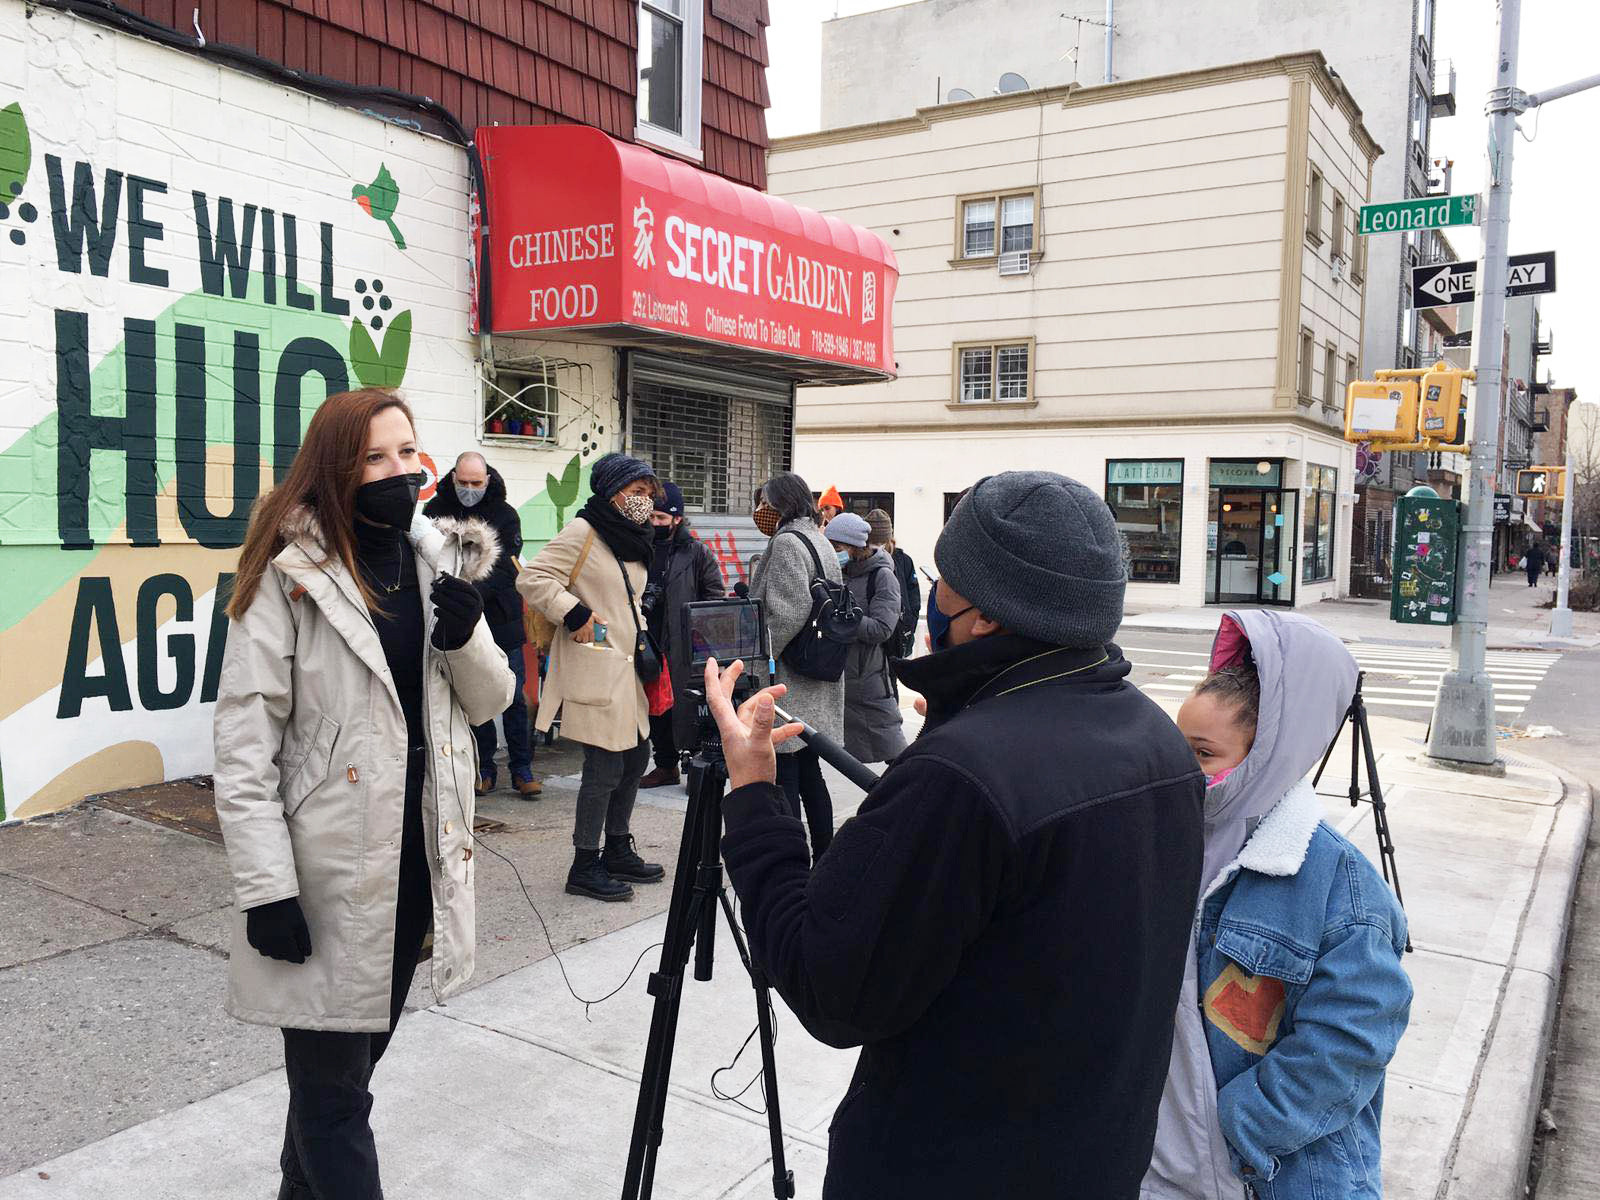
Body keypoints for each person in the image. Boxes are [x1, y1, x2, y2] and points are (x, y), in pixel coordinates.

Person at [708, 470, 1205, 1198]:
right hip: (1094, 1156)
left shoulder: (964, 773)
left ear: (987, 617)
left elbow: (830, 985)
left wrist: (754, 793)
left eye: (944, 580)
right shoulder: (1159, 740)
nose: (930, 600)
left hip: (946, 1166)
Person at [212, 389, 516, 1200]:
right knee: (334, 1102)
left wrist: (463, 636)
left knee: (338, 1089)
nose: (396, 472)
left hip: (413, 870)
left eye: (407, 453)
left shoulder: (436, 562)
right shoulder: (289, 572)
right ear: (334, 467)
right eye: (373, 458)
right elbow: (245, 751)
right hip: (323, 881)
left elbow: (491, 702)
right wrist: (266, 888)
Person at [1144, 610, 1411, 1200]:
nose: (1183, 775)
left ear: (1270, 752)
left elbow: (1353, 1039)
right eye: (1176, 752)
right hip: (1159, 1167)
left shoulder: (1340, 886)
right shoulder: (1165, 841)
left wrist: (1240, 1127)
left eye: (1204, 754)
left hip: (1273, 1178)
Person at [519, 453, 666, 902]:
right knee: (603, 768)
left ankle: (618, 848)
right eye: (636, 491)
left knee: (637, 758)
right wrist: (575, 611)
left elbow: (626, 597)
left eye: (648, 493)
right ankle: (584, 864)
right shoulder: (583, 531)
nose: (644, 501)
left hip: (629, 668)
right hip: (595, 665)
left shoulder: (633, 538)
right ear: (612, 490)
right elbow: (533, 579)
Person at [425, 451, 540, 798]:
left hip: (500, 619)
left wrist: (471, 593)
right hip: (458, 623)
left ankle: (522, 769)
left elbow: (506, 567)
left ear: (487, 479)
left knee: (515, 698)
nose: (470, 489)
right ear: (454, 477)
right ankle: (483, 768)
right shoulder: (435, 512)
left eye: (477, 483)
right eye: (464, 483)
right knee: (475, 700)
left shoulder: (505, 515)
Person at [747, 472, 846, 864]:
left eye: (765, 503)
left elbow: (787, 614)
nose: (760, 511)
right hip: (817, 670)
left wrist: (757, 659)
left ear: (783, 504)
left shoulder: (788, 542)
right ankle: (823, 854)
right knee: (809, 772)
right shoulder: (818, 538)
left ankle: (794, 863)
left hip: (790, 678)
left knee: (787, 773)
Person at [640, 481, 726, 789]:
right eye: (652, 517)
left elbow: (715, 596)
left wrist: (699, 634)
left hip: (685, 646)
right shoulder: (640, 547)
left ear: (677, 518)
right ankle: (665, 765)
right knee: (656, 708)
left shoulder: (697, 552)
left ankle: (695, 763)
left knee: (688, 708)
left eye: (661, 518)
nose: (655, 523)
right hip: (648, 641)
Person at [826, 511, 907, 764]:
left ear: (853, 547)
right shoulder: (840, 572)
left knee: (893, 751)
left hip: (868, 678)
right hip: (838, 678)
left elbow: (882, 629)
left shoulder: (882, 576)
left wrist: (845, 618)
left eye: (836, 547)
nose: (832, 552)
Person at [866, 508, 921, 661]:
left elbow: (913, 598)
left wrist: (909, 626)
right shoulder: (861, 561)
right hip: (873, 639)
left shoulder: (903, 560)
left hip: (901, 634)